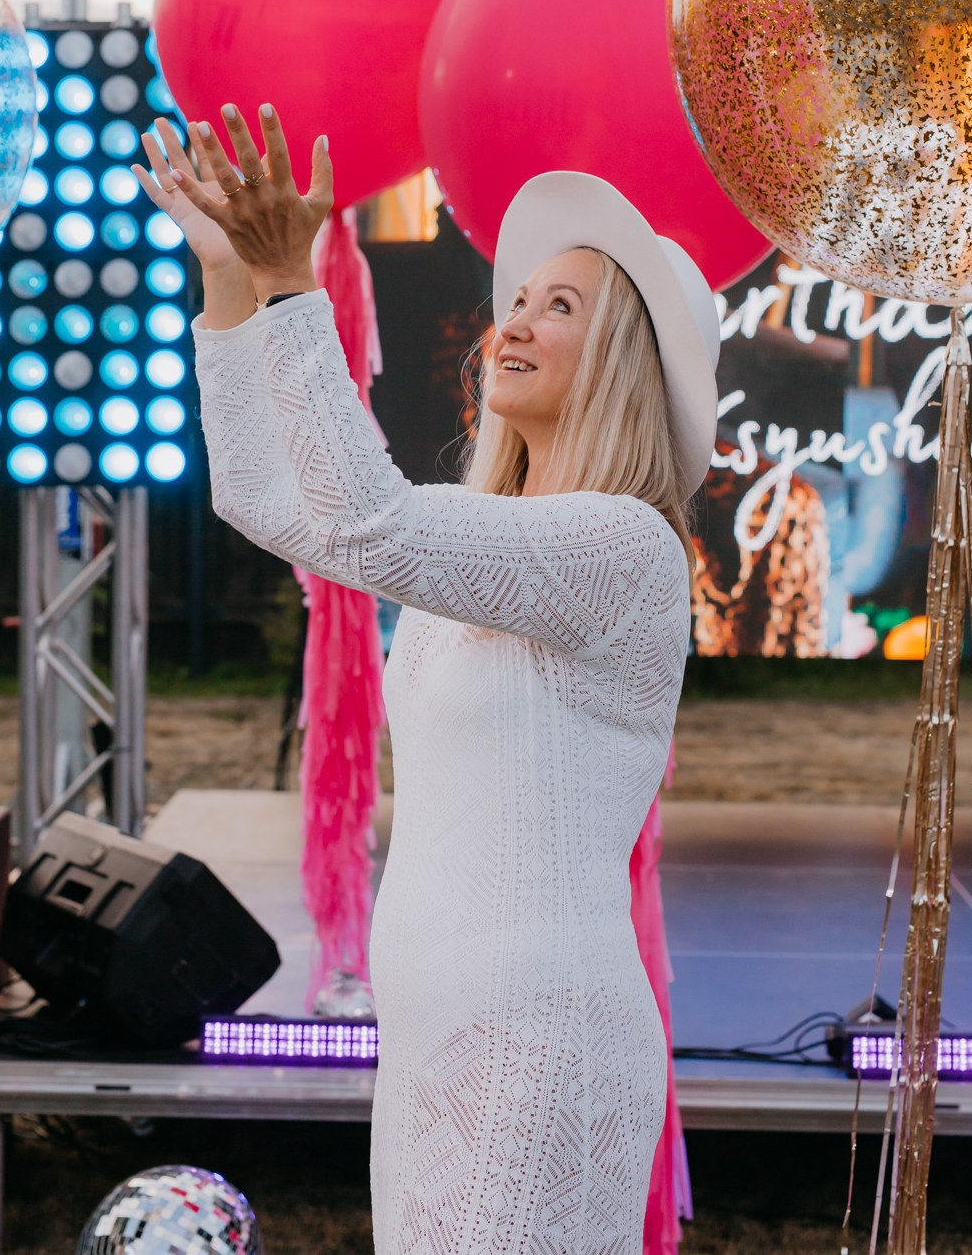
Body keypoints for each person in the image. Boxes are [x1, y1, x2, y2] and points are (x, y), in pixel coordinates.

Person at [135, 103, 721, 1255]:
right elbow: (261, 499)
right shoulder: (492, 535)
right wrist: (228, 283)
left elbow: (370, 522)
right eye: (516, 299)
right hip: (437, 1034)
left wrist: (292, 288)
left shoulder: (623, 547)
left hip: (540, 1042)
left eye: (562, 307)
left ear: (618, 363)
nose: (515, 323)